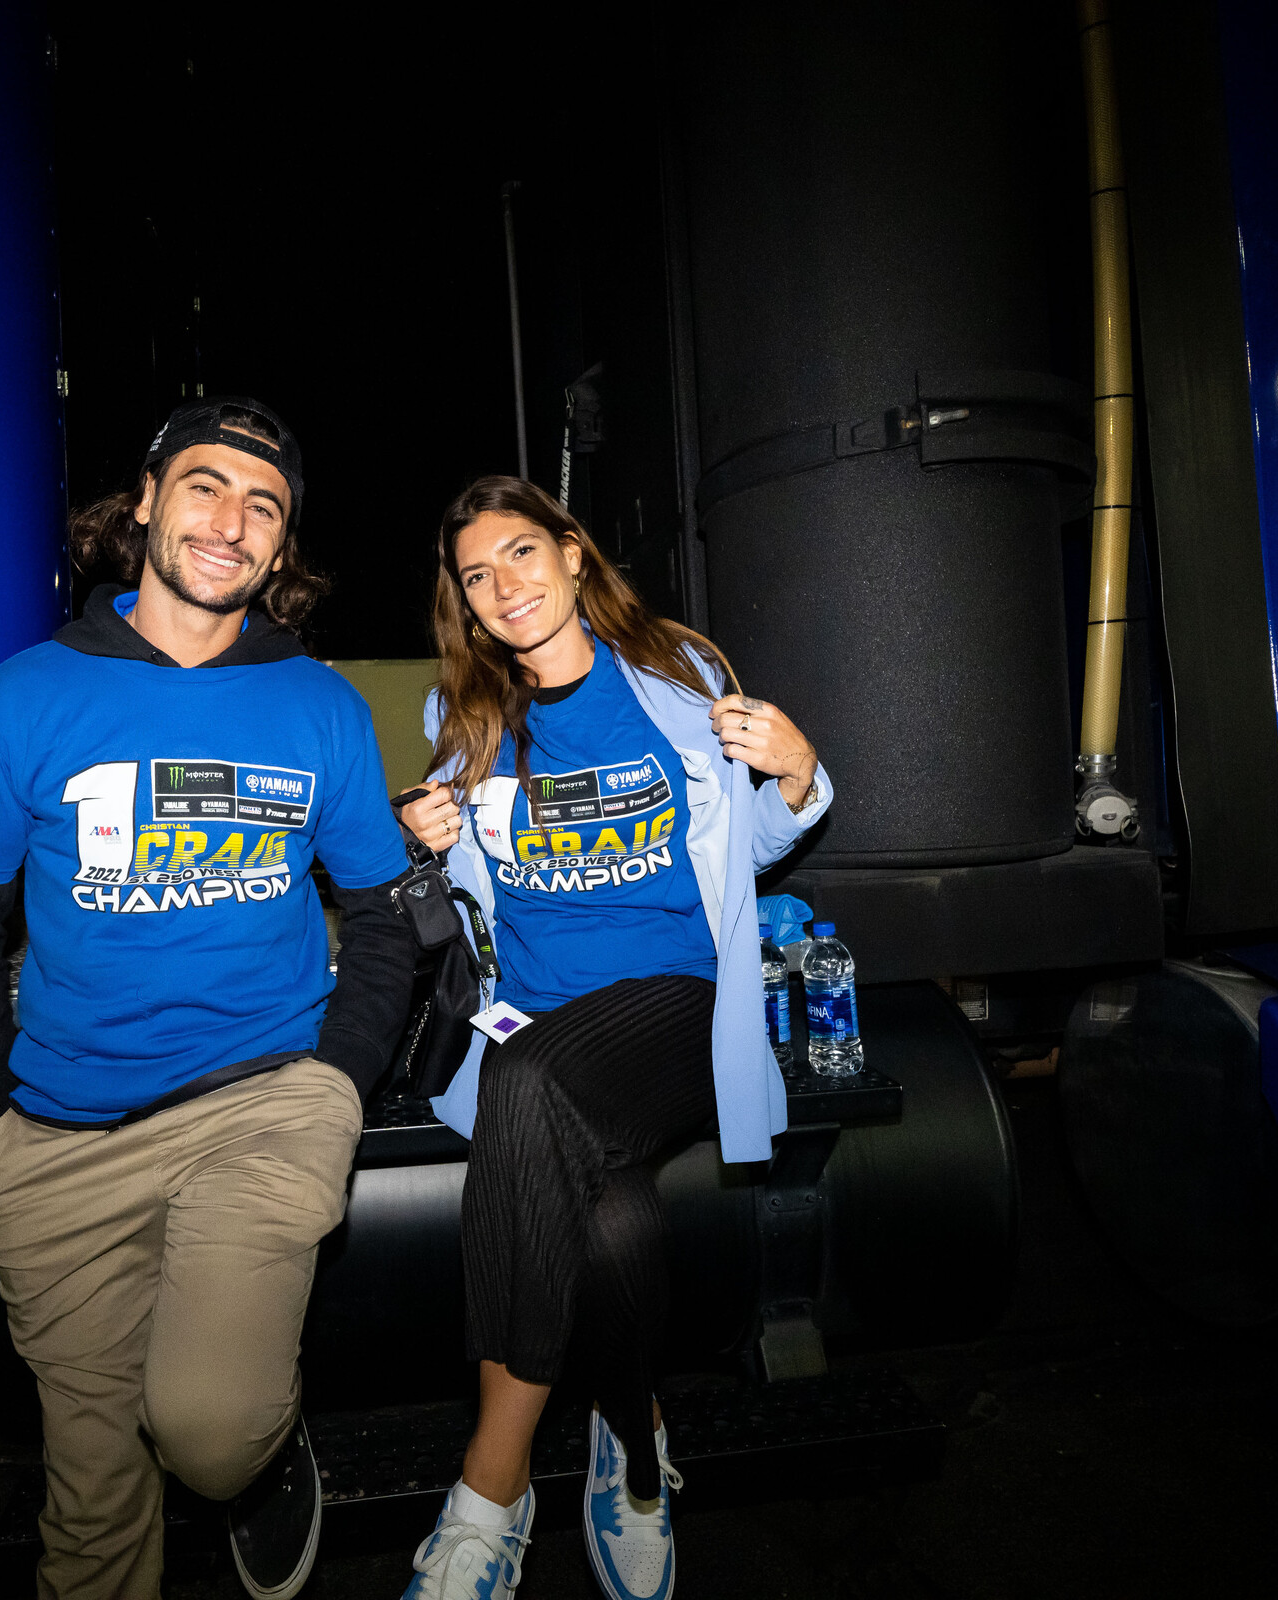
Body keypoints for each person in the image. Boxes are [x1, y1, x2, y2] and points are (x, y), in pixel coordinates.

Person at [0, 398, 416, 1600]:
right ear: (143, 501)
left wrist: (336, 1082)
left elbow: (388, 914)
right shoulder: (26, 695)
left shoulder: (320, 706)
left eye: (263, 506)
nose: (231, 521)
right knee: (92, 1504)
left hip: (259, 1104)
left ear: (282, 547)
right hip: (57, 1141)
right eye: (204, 486)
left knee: (210, 1431)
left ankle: (261, 1456)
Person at [392, 476, 832, 1600]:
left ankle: (490, 1489)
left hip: (677, 1004)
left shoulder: (681, 678)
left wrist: (795, 768)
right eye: (477, 575)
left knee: (531, 1083)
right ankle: (633, 1450)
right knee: (612, 1218)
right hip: (533, 1017)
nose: (504, 586)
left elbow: (748, 849)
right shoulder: (462, 718)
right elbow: (459, 888)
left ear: (574, 554)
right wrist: (419, 836)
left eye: (521, 553)